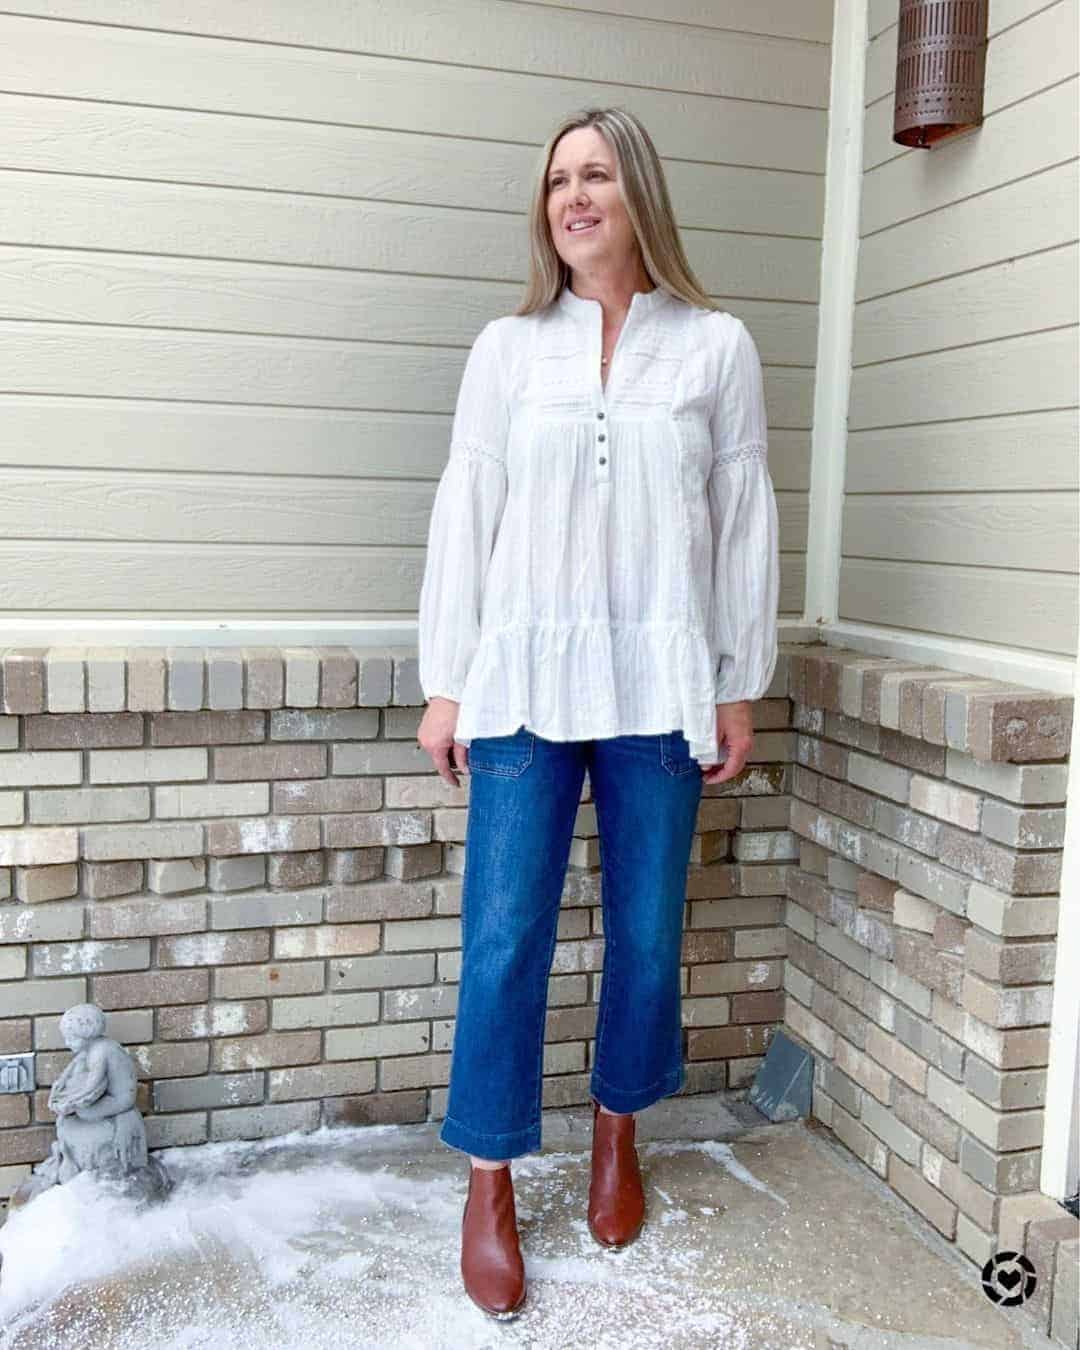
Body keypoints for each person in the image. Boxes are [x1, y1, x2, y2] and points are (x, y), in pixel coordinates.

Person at [416, 106, 780, 1320]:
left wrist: (736, 678)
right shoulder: (508, 351)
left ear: (641, 199)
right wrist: (447, 680)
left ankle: (617, 1131)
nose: (573, 198)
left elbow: (739, 524)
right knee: (504, 937)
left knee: (644, 932)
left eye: (597, 177)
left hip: (659, 688)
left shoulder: (716, 347)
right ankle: (490, 1179)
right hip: (524, 682)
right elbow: (469, 515)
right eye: (558, 180)